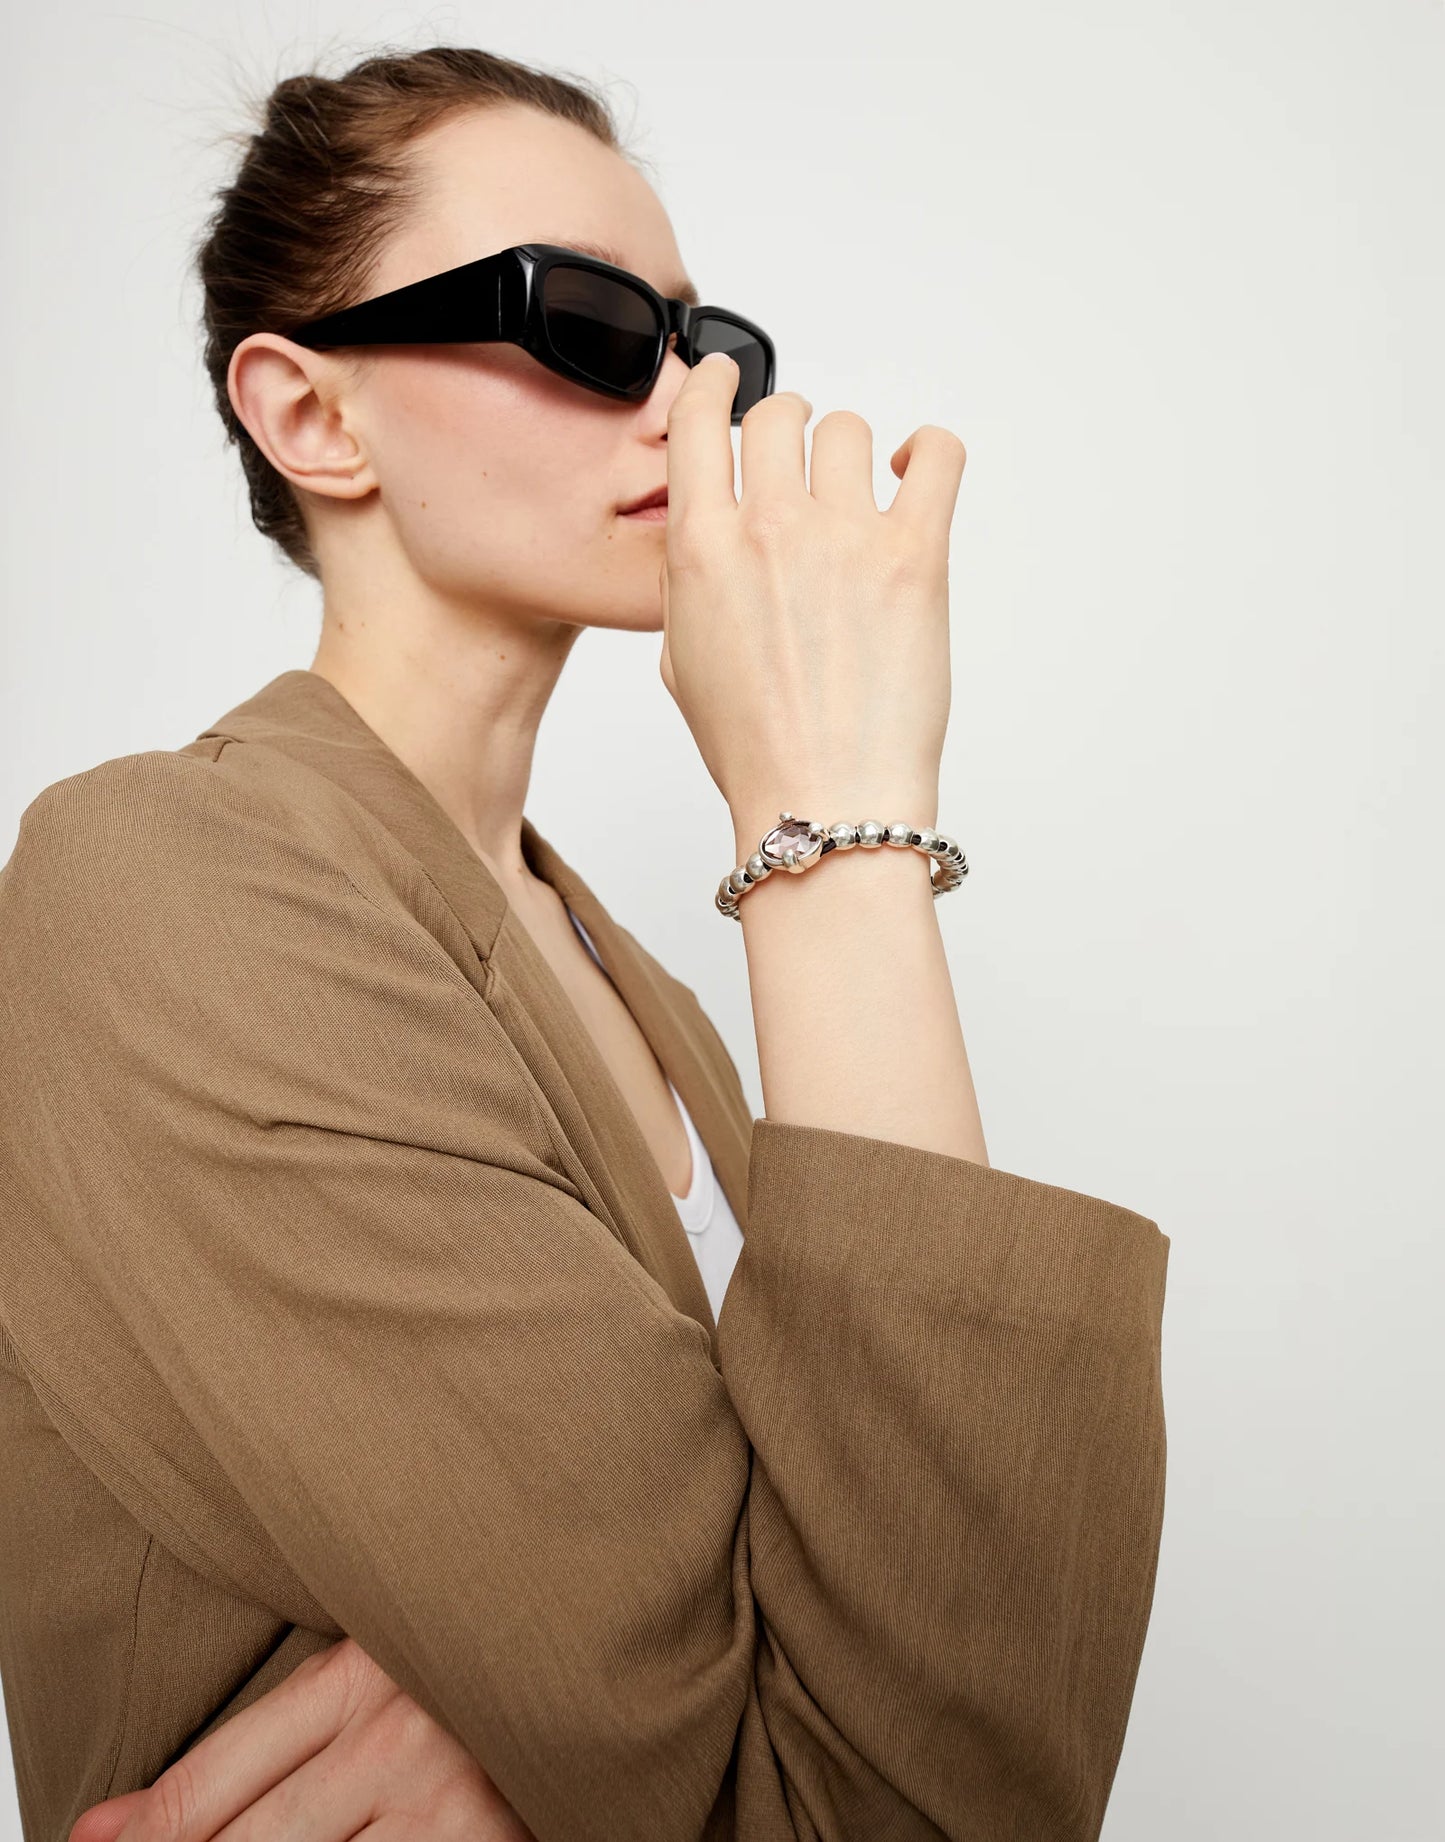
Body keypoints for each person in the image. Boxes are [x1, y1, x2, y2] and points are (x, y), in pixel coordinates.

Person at [0, 43, 1171, 1842]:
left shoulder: (659, 1001)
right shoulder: (162, 876)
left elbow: (892, 1708)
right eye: (590, 324)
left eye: (710, 350)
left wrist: (550, 1758)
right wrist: (833, 807)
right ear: (313, 413)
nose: (688, 409)